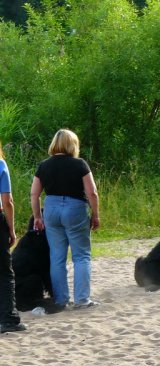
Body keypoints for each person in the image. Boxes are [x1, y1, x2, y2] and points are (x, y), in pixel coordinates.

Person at [30, 129, 100, 309]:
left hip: (51, 209)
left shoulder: (43, 165)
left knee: (57, 257)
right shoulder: (80, 164)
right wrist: (96, 214)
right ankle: (82, 300)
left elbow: (34, 193)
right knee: (81, 256)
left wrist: (38, 216)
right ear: (72, 144)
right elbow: (92, 192)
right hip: (75, 208)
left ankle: (61, 300)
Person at [0, 141, 26, 332]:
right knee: (4, 273)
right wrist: (11, 228)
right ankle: (8, 319)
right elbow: (7, 201)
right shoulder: (0, 164)